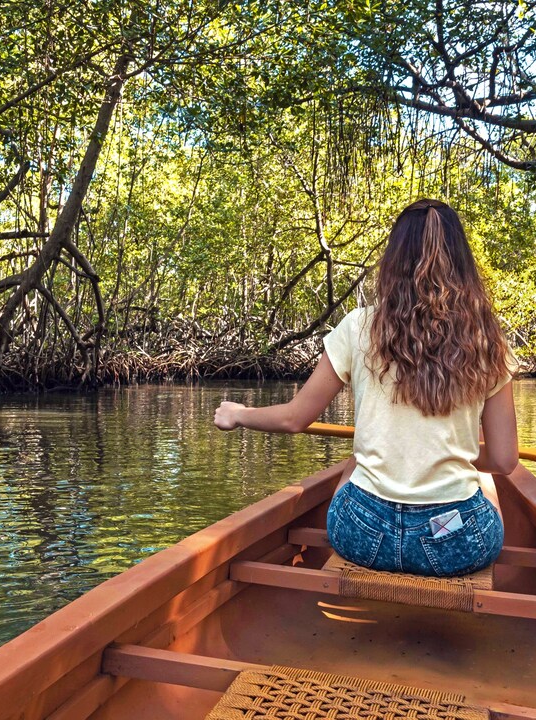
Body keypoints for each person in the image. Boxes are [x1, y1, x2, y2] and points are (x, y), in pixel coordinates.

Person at [213, 198, 518, 577]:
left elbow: (295, 419)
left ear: (393, 261)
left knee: (356, 462)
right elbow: (505, 461)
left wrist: (239, 415)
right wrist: (462, 460)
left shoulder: (359, 326)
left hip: (364, 532)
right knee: (485, 478)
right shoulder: (486, 337)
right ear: (462, 262)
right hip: (453, 540)